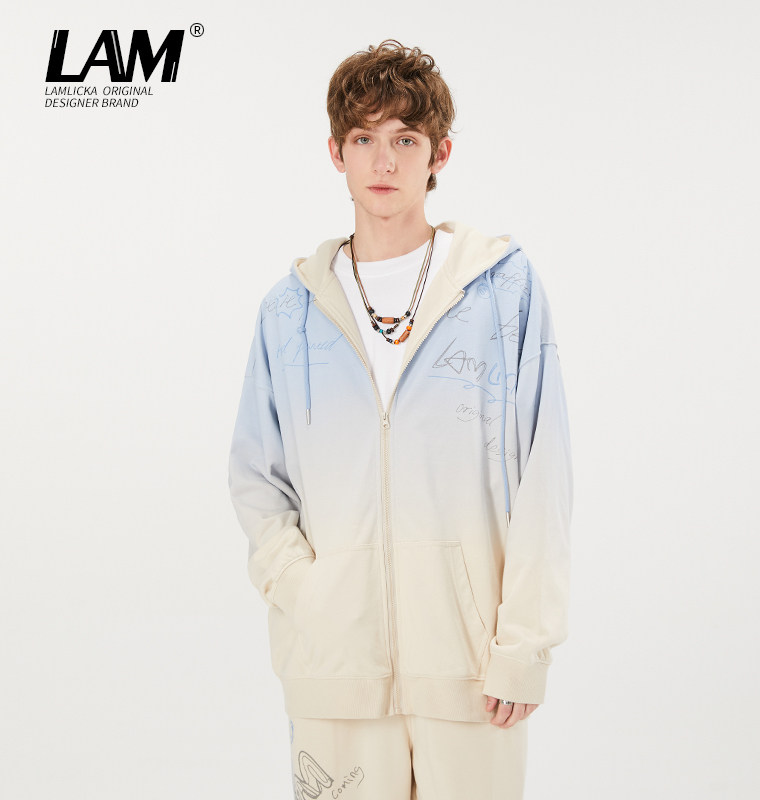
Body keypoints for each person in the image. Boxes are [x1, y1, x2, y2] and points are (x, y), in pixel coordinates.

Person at [228, 39, 573, 800]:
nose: (383, 161)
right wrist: (307, 592)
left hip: (473, 673)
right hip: (335, 674)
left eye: (405, 139)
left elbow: (544, 474)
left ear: (439, 153)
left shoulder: (502, 292)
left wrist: (523, 646)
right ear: (336, 152)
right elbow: (256, 479)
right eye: (363, 139)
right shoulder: (289, 313)